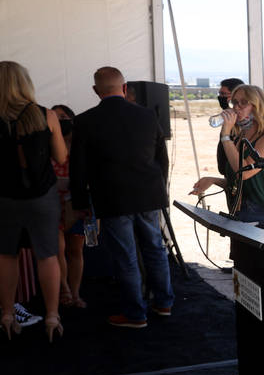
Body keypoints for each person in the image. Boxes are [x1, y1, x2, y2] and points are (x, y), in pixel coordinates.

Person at [70, 66, 174, 329]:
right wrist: (158, 188)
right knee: (155, 249)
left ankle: (135, 314)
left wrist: (80, 202)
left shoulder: (84, 121)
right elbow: (161, 158)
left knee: (126, 255)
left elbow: (78, 167)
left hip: (112, 199)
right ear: (125, 88)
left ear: (96, 91)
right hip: (150, 195)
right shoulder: (148, 116)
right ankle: (163, 303)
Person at [0, 61, 68, 340]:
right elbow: (62, 158)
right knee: (48, 255)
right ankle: (52, 317)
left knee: (6, 255)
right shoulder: (46, 116)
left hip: (4, 197)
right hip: (42, 197)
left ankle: (6, 314)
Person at [189, 84, 264, 236]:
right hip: (240, 214)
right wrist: (214, 180)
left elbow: (244, 172)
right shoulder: (240, 138)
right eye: (234, 102)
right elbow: (240, 183)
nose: (237, 107)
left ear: (257, 107)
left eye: (244, 102)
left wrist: (225, 136)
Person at [51, 104, 86, 309]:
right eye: (55, 117)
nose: (59, 120)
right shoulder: (45, 143)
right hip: (51, 202)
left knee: (75, 250)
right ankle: (63, 290)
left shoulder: (80, 144)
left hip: (76, 201)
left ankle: (75, 293)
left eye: (63, 116)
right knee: (58, 248)